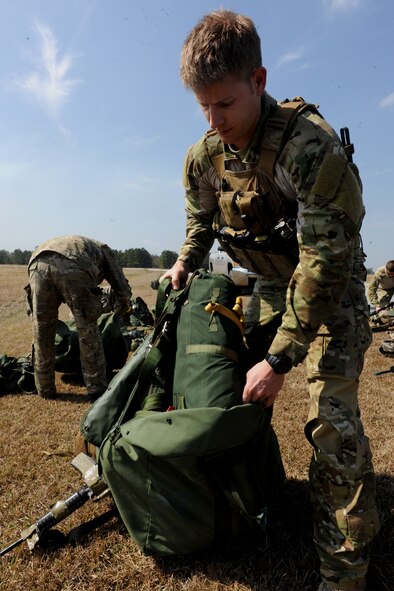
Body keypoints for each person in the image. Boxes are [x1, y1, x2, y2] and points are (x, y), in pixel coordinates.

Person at [161, 10, 379, 591]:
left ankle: (344, 569)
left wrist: (281, 358)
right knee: (232, 393)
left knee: (331, 425)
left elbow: (324, 263)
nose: (214, 120)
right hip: (263, 289)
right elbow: (201, 219)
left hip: (329, 295)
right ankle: (249, 502)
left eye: (225, 103)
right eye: (203, 106)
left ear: (259, 80)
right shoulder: (205, 155)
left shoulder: (309, 149)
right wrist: (185, 260)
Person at [26, 235, 131, 401]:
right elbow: (121, 287)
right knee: (87, 331)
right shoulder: (104, 250)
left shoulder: (80, 244)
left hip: (37, 263)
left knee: (42, 330)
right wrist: (121, 312)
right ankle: (96, 388)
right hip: (73, 264)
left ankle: (44, 388)